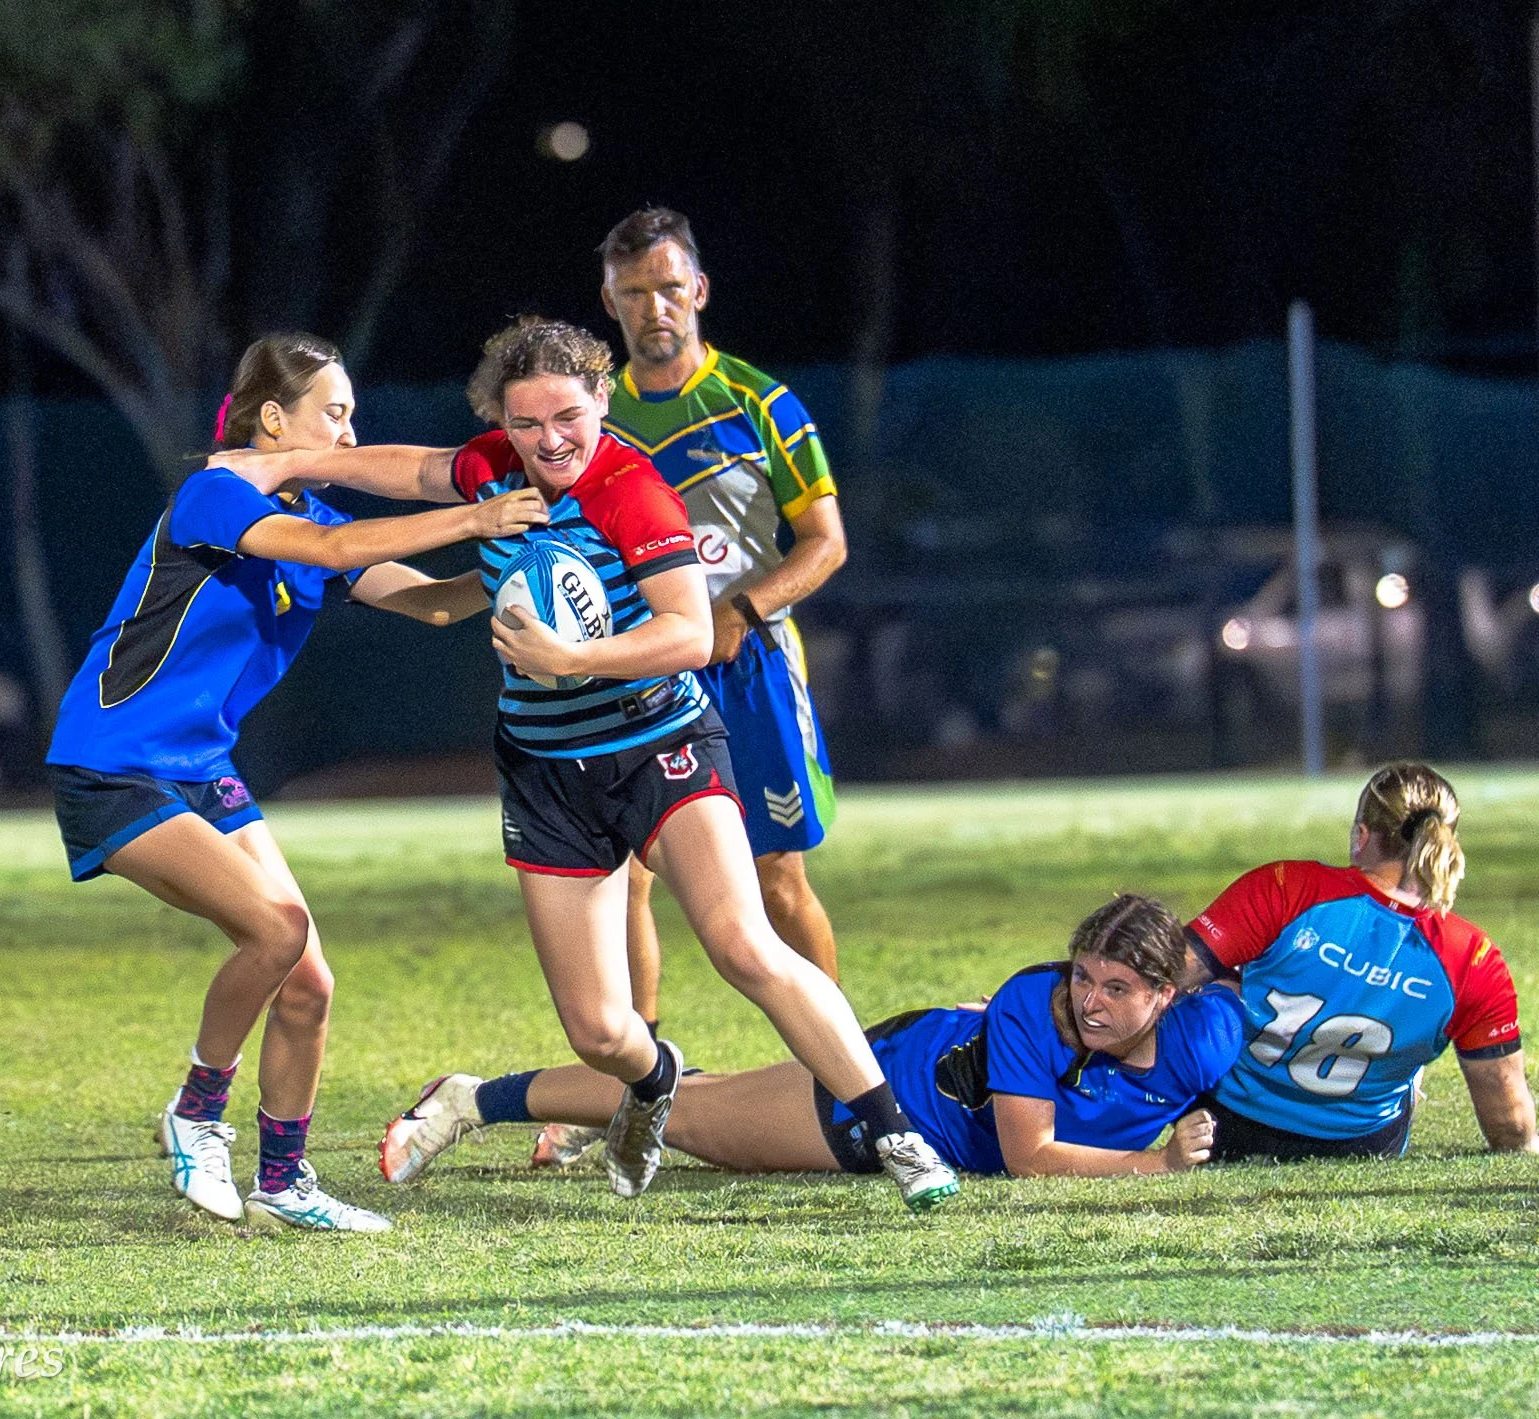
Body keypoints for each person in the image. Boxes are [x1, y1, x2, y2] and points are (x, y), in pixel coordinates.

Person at [208, 316, 959, 1209]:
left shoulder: (631, 492)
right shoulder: (490, 467)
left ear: (602, 399)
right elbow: (407, 469)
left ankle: (894, 1130)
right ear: (503, 424)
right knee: (601, 1032)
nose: (550, 440)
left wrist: (572, 661)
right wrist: (287, 465)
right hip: (546, 769)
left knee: (743, 946)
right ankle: (651, 1083)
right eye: (527, 424)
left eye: (568, 415)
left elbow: (686, 634)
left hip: (661, 746)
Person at [45, 332, 544, 1231]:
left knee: (310, 979)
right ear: (274, 419)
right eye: (335, 414)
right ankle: (197, 1113)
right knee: (275, 932)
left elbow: (430, 602)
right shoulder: (216, 493)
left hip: (198, 768)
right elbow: (331, 546)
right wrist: (476, 516)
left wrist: (518, 564)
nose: (350, 435)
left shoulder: (313, 515)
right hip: (114, 763)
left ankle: (284, 1180)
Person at [530, 208, 851, 1169]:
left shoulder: (761, 403)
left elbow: (825, 543)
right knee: (621, 880)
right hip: (632, 679)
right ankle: (637, 1097)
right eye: (633, 294)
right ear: (608, 302)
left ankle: (838, 1082)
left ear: (698, 290)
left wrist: (738, 615)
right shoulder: (593, 415)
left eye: (669, 288)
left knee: (778, 882)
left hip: (745, 670)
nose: (653, 309)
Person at [380, 894, 1242, 1183]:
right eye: (1084, 974)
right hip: (871, 1106)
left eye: (1117, 988)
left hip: (910, 1079)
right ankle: (472, 1099)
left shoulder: (1203, 1034)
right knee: (685, 1113)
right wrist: (1155, 1165)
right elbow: (1030, 1157)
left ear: (1166, 996)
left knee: (701, 1095)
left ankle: (590, 1117)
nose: (1088, 1000)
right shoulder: (1032, 1004)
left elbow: (1258, 987)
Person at [1186, 762, 1536, 1161]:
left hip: (1222, 1126)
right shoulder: (1472, 957)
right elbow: (1510, 1127)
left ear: (1361, 836)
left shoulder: (1288, 887)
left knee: (1216, 990)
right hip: (1359, 1145)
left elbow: (1162, 976)